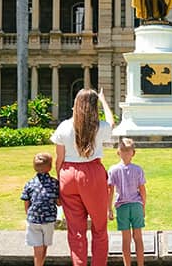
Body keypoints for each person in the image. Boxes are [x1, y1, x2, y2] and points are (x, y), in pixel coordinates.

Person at [51, 88, 115, 266]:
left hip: (68, 174)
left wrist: (60, 183)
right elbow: (112, 122)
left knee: (75, 231)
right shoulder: (99, 127)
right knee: (99, 228)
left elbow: (59, 159)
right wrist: (103, 101)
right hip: (92, 174)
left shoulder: (64, 126)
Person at [107, 138, 147, 266]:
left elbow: (110, 191)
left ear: (118, 152)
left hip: (122, 206)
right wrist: (143, 205)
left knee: (126, 239)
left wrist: (109, 209)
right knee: (138, 237)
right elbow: (142, 190)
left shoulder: (113, 170)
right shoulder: (138, 169)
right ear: (133, 153)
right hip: (136, 205)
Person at [21, 153, 60, 266]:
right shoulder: (54, 183)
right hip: (49, 220)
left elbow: (26, 201)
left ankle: (39, 264)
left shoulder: (29, 183)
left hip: (33, 219)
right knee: (44, 245)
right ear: (50, 167)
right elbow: (58, 202)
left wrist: (28, 215)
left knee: (37, 247)